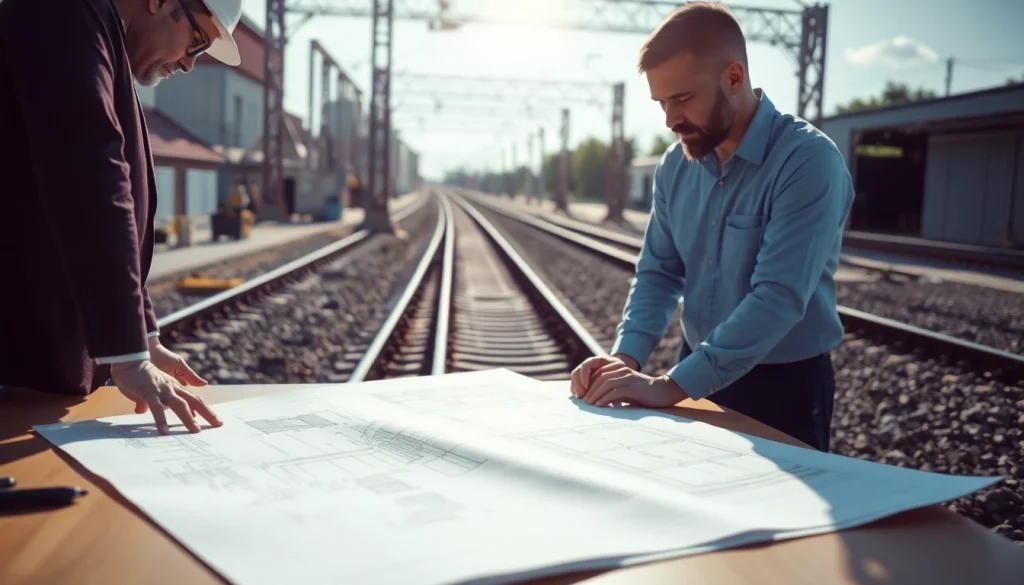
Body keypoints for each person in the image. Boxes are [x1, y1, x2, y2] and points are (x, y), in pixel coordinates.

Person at [570, 2, 854, 452]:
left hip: (784, 387)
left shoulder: (808, 161)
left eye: (682, 99)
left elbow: (778, 296)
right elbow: (659, 274)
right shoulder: (673, 167)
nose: (670, 120)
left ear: (734, 77)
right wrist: (622, 360)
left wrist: (669, 387)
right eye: (661, 103)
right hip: (696, 368)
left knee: (783, 519)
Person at [0, 0, 245, 435]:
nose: (190, 64)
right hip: (15, 367)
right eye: (198, 40)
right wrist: (128, 355)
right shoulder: (65, 12)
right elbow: (88, 173)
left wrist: (145, 337)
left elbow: (114, 208)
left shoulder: (99, 32)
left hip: (36, 373)